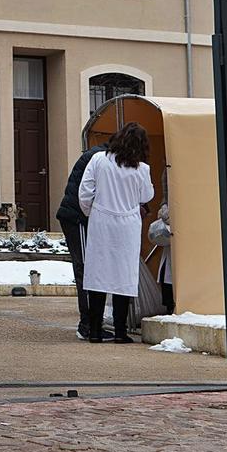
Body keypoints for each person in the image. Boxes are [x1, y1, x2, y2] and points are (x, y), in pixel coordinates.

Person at [79, 123, 155, 344]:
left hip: (101, 220)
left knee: (97, 275)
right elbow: (147, 195)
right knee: (124, 275)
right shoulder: (142, 169)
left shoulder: (99, 160)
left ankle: (95, 330)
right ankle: (121, 331)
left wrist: (90, 212)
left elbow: (85, 191)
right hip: (128, 224)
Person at [55, 143, 107, 340]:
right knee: (85, 269)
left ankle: (90, 322)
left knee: (86, 269)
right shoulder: (100, 158)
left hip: (75, 216)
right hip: (77, 218)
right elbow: (86, 194)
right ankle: (87, 324)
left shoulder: (96, 154)